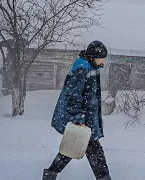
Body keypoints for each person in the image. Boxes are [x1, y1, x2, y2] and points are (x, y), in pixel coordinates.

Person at [42, 41, 112, 180]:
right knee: (93, 152)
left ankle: (50, 175)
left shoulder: (90, 66)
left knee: (72, 148)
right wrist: (79, 119)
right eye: (101, 57)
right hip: (83, 121)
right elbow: (73, 96)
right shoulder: (82, 69)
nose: (103, 60)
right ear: (93, 57)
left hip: (86, 119)